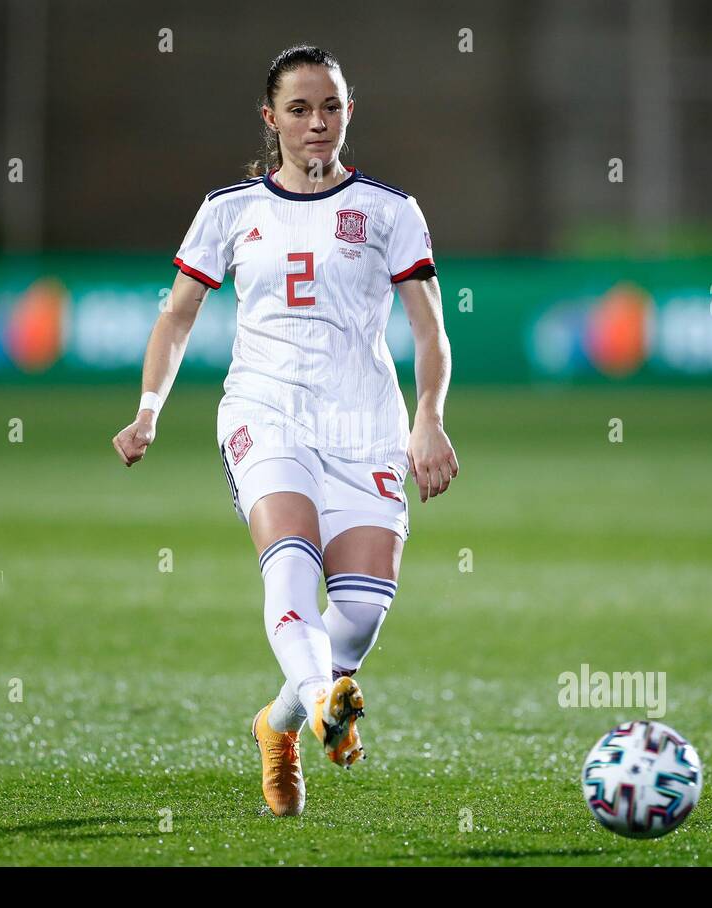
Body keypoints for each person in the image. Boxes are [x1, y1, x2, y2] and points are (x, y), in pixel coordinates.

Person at [112, 44, 458, 817]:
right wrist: (149, 408)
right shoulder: (230, 211)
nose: (316, 123)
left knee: (361, 614)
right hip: (265, 415)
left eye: (330, 107)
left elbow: (430, 333)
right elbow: (176, 316)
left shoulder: (389, 211)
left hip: (366, 422)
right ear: (271, 119)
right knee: (291, 571)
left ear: (348, 114)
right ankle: (324, 700)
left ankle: (282, 722)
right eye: (299, 109)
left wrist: (429, 420)